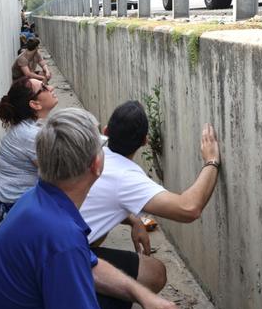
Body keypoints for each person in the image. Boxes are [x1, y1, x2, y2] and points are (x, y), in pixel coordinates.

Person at [0, 108, 198, 309]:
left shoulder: (41, 201)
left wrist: (143, 295)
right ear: (96, 165)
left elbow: (88, 264)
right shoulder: (61, 236)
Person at [80, 100, 220, 293]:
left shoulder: (89, 145)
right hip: (62, 261)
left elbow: (100, 197)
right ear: (145, 141)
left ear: (105, 131)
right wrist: (211, 160)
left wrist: (134, 221)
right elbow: (189, 208)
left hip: (46, 245)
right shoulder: (126, 177)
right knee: (155, 273)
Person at [0, 76, 58, 223]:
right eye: (44, 88)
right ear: (35, 104)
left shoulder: (29, 127)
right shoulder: (30, 135)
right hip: (13, 209)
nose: (51, 88)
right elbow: (57, 174)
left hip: (19, 203)